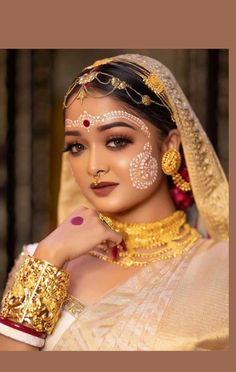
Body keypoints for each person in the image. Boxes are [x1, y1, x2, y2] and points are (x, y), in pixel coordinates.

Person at [0, 53, 229, 351]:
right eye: (77, 146)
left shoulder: (220, 269)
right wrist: (48, 260)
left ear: (169, 145)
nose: (94, 165)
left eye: (117, 141)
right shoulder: (42, 260)